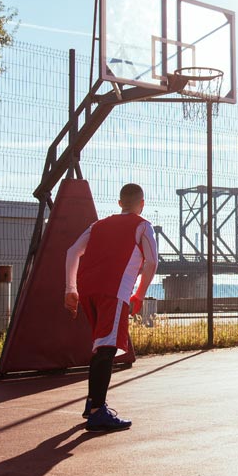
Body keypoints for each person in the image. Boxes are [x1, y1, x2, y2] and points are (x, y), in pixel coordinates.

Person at [64, 183, 159, 431]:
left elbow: (72, 251)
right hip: (114, 290)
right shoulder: (143, 225)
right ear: (142, 204)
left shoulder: (98, 225)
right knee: (106, 349)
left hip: (88, 289)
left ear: (119, 203)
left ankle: (92, 403)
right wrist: (139, 294)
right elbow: (152, 262)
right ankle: (98, 413)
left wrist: (70, 289)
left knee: (100, 347)